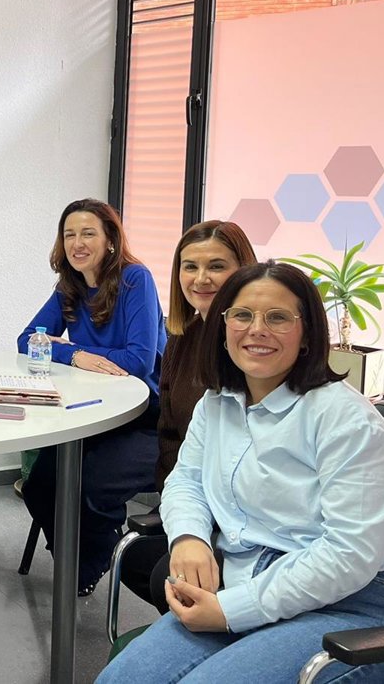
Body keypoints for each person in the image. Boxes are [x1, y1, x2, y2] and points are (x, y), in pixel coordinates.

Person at [98, 262, 384, 683]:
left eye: (278, 318)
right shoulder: (217, 402)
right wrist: (188, 537)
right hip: (244, 577)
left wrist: (231, 610)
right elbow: (186, 481)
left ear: (308, 334)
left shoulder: (346, 420)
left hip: (354, 602)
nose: (257, 329)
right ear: (223, 327)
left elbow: (348, 554)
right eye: (242, 315)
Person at [17, 198, 165, 596]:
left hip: (146, 416)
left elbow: (138, 360)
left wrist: (70, 348)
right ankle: (77, 558)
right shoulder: (71, 286)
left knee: (91, 486)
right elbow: (26, 340)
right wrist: (72, 354)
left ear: (110, 240)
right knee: (39, 485)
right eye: (69, 235)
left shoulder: (135, 280)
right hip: (96, 412)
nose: (77, 243)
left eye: (88, 233)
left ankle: (89, 565)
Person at [119, 221, 256, 612]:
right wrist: (179, 510)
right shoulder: (183, 335)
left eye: (217, 266)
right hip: (192, 497)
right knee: (135, 559)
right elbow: (170, 433)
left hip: (242, 512)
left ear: (244, 269)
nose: (201, 278)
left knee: (166, 574)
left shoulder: (253, 344)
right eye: (190, 266)